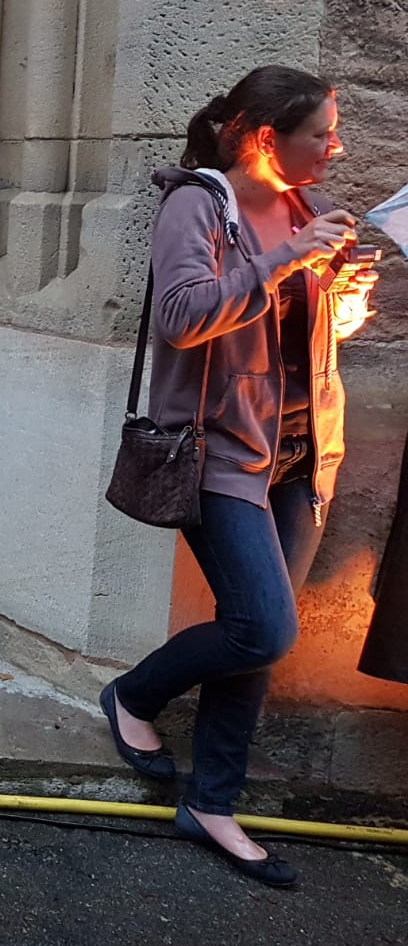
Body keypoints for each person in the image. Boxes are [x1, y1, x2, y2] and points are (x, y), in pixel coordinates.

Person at [99, 66, 379, 887]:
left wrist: (344, 295)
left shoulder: (306, 208)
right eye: (321, 133)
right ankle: (134, 694)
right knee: (263, 628)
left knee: (253, 639)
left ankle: (213, 802)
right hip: (219, 451)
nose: (335, 146)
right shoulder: (198, 204)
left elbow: (309, 336)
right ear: (264, 136)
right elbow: (183, 318)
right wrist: (287, 259)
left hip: (304, 454)